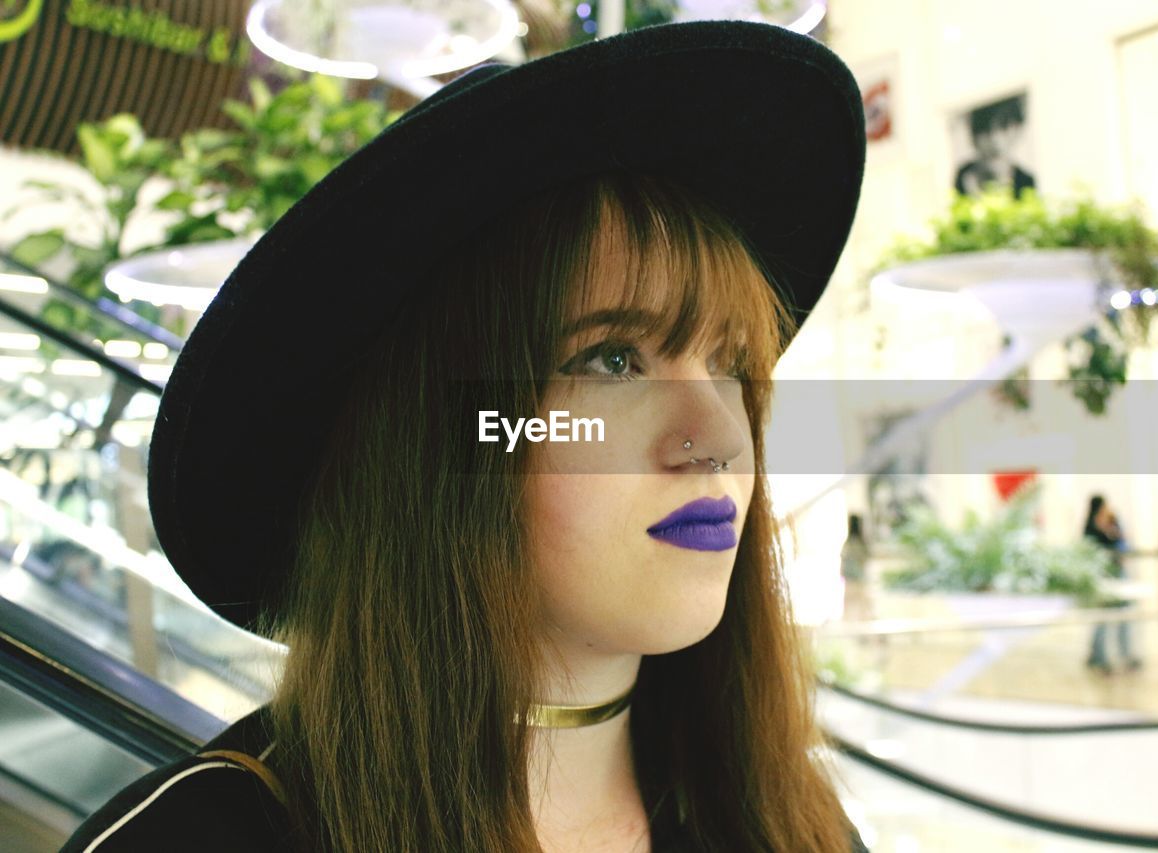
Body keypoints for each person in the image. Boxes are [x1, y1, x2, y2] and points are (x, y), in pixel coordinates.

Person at [60, 21, 869, 853]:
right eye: (614, 359)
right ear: (440, 441)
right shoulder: (196, 839)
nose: (719, 436)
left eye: (731, 362)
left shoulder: (790, 824)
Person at [1083, 495, 1140, 675]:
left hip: (1116, 576)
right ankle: (1098, 656)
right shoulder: (1091, 530)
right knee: (1104, 618)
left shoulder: (1110, 524)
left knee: (1120, 616)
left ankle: (1124, 654)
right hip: (1103, 579)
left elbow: (1120, 542)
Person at [953, 94, 1036, 198]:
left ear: (1017, 129)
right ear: (973, 136)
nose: (995, 139)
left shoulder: (1026, 183)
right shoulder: (962, 177)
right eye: (985, 130)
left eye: (1003, 127)